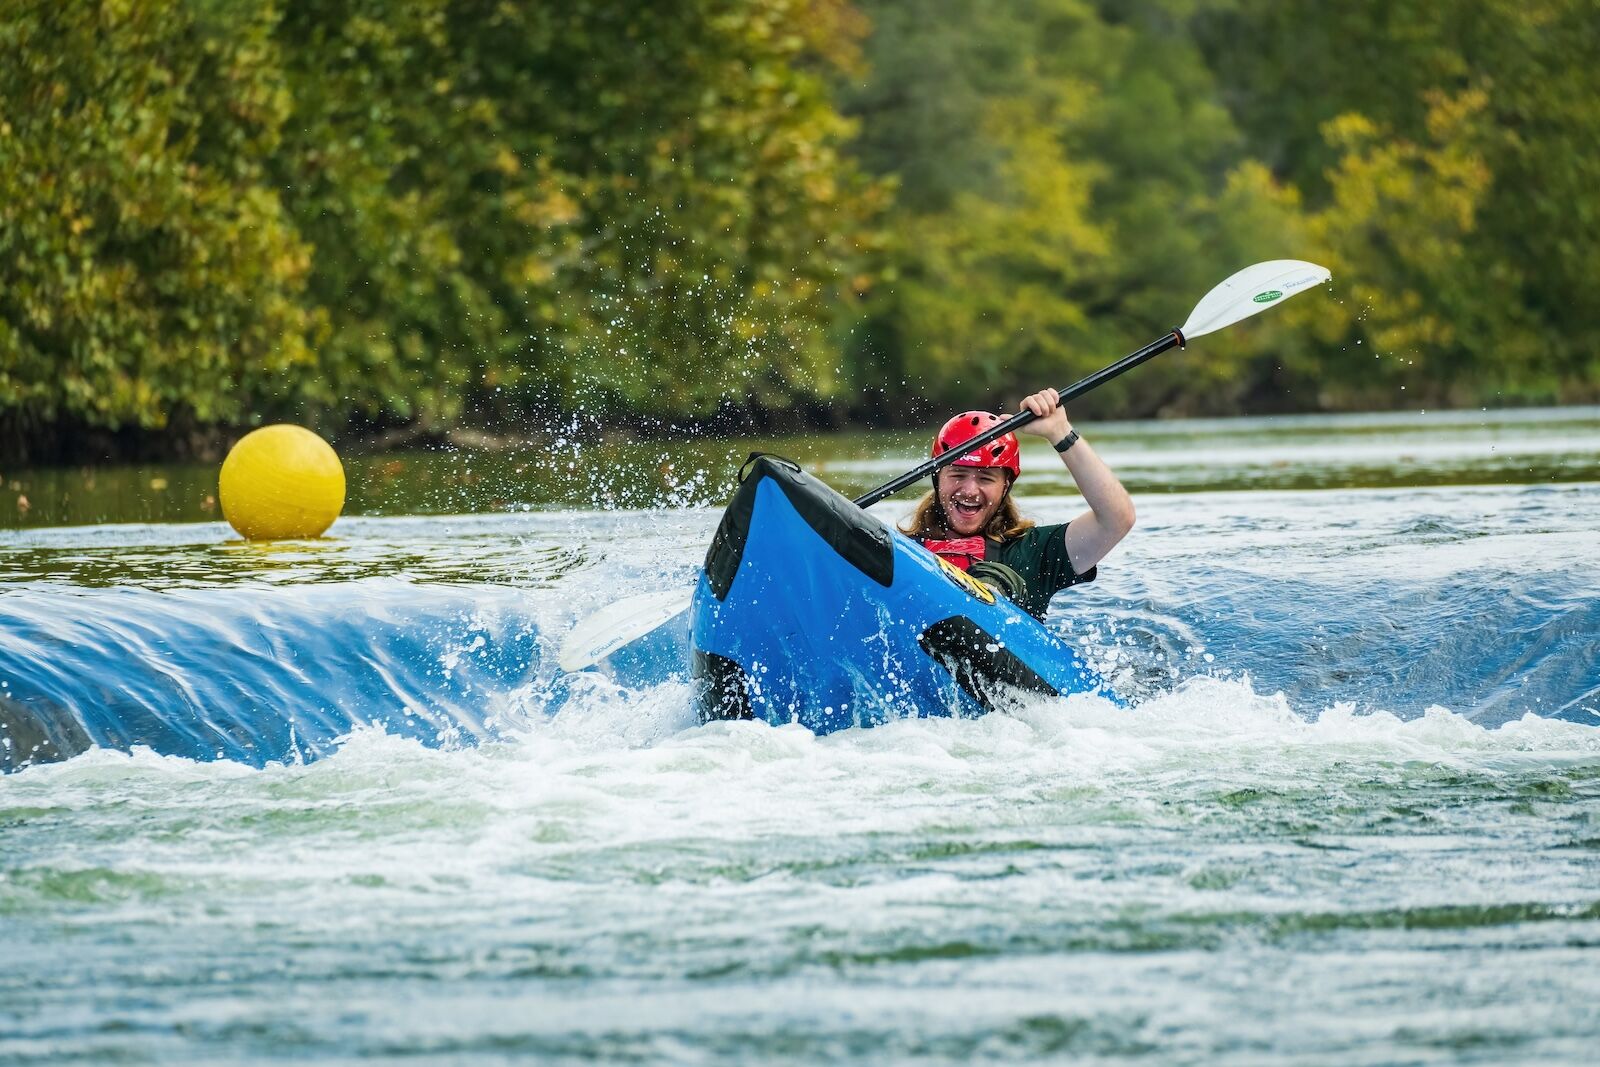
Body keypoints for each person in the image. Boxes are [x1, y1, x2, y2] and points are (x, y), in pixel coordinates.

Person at [898, 388, 1136, 621]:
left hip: (999, 652)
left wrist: (1060, 432)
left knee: (995, 577)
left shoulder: (1032, 552)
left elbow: (1116, 519)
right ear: (937, 478)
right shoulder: (902, 552)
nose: (969, 490)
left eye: (985, 478)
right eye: (958, 475)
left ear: (1005, 486)